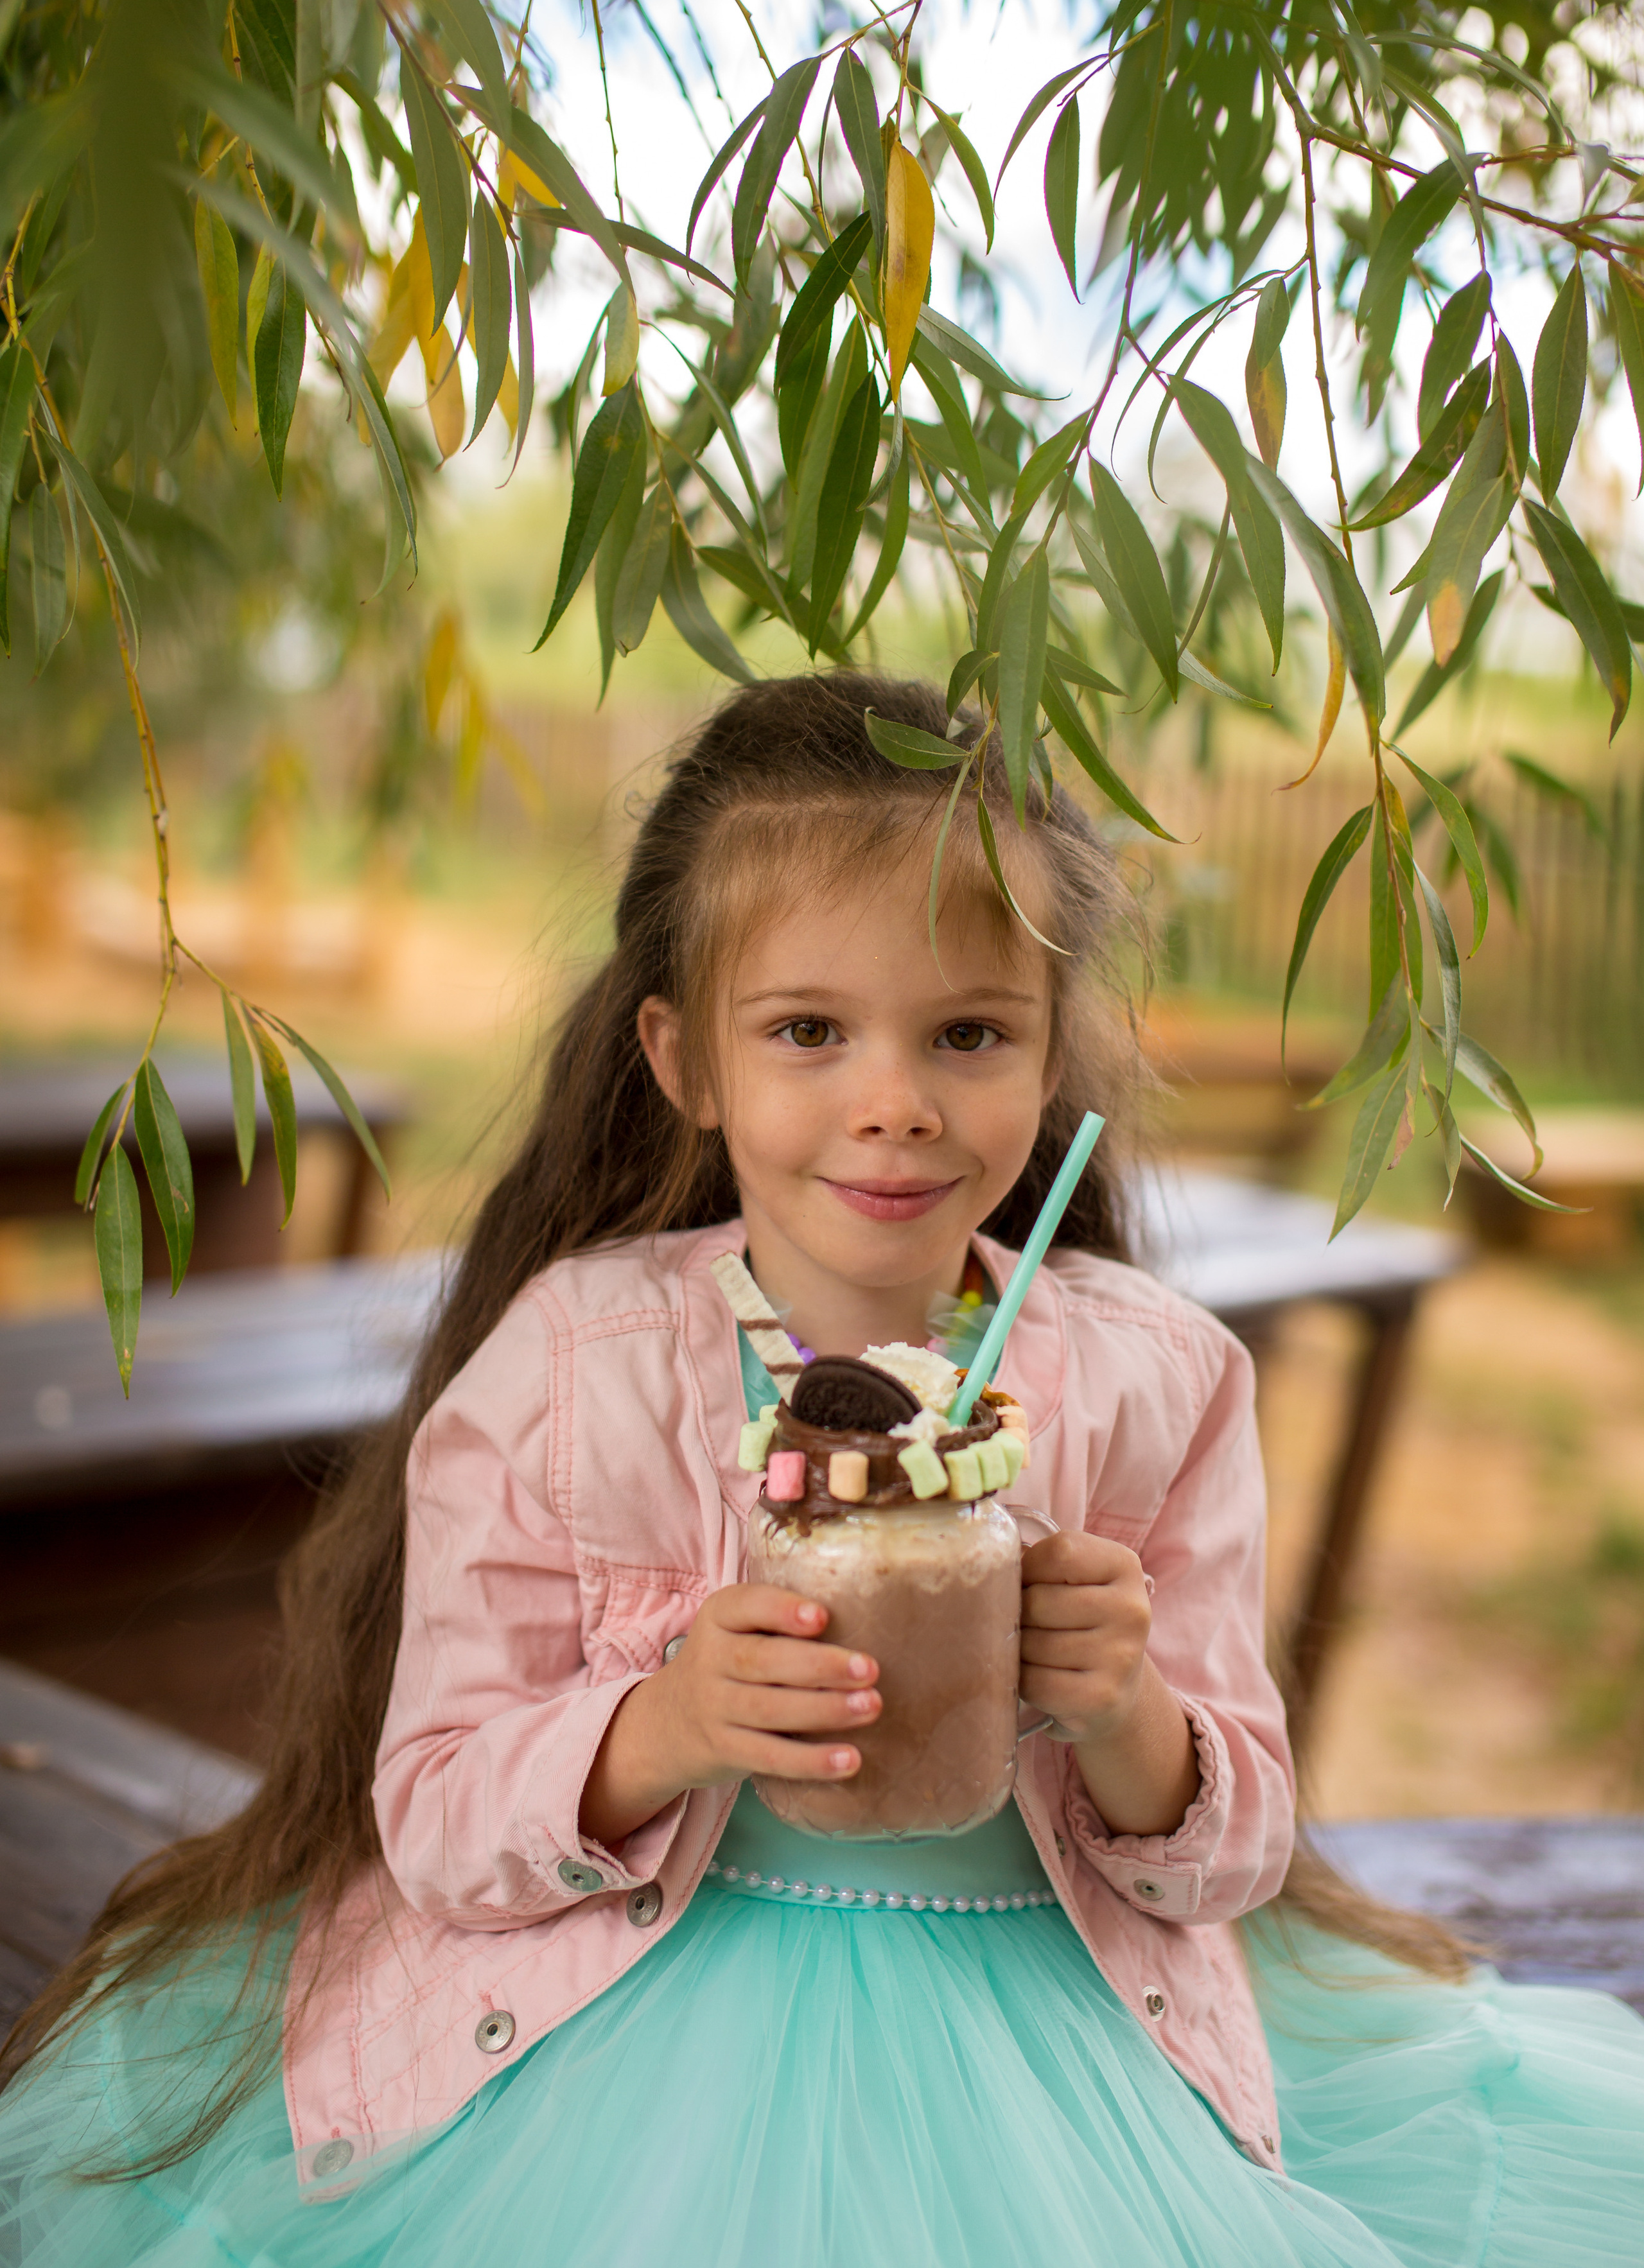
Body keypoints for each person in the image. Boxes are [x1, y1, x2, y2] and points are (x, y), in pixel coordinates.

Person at [2, 672, 1640, 2268]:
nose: (894, 1105)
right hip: (629, 2036)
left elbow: (1237, 1849)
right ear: (684, 1061)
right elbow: (432, 1814)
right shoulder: (580, 1368)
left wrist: (1127, 1713)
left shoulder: (1157, 1379)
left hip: (1050, 2053)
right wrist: (665, 1727)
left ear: (1050, 1057)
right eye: (806, 1030)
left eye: (969, 1035)